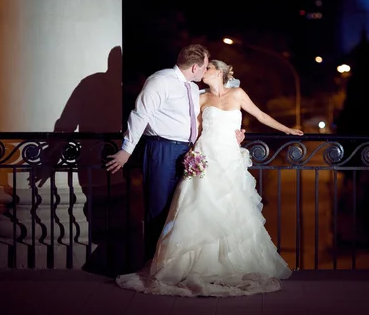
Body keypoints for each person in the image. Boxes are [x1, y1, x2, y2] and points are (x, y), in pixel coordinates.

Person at [115, 59, 304, 297]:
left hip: (229, 158)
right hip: (205, 157)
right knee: (197, 206)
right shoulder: (200, 97)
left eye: (209, 68)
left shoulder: (237, 94)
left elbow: (261, 115)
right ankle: (193, 265)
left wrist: (286, 130)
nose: (204, 71)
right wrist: (190, 152)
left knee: (230, 208)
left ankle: (228, 264)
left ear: (220, 73)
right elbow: (191, 127)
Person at [106, 45, 245, 259]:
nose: (206, 70)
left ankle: (171, 260)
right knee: (158, 205)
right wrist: (126, 150)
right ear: (196, 67)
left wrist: (233, 133)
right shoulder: (160, 81)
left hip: (186, 152)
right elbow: (140, 115)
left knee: (180, 207)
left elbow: (214, 110)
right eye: (206, 66)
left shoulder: (191, 87)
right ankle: (152, 261)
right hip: (161, 148)